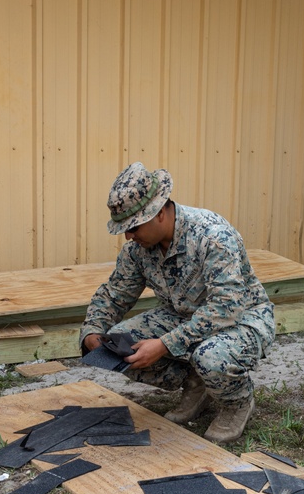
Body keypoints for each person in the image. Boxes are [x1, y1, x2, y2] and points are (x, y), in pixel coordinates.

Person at [80, 162, 275, 443]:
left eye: (133, 226)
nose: (128, 235)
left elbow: (225, 308)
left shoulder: (213, 236)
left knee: (212, 358)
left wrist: (164, 345)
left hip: (240, 319)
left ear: (159, 213)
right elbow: (114, 293)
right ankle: (197, 385)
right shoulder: (138, 249)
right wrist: (93, 332)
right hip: (183, 318)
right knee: (118, 346)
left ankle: (236, 403)